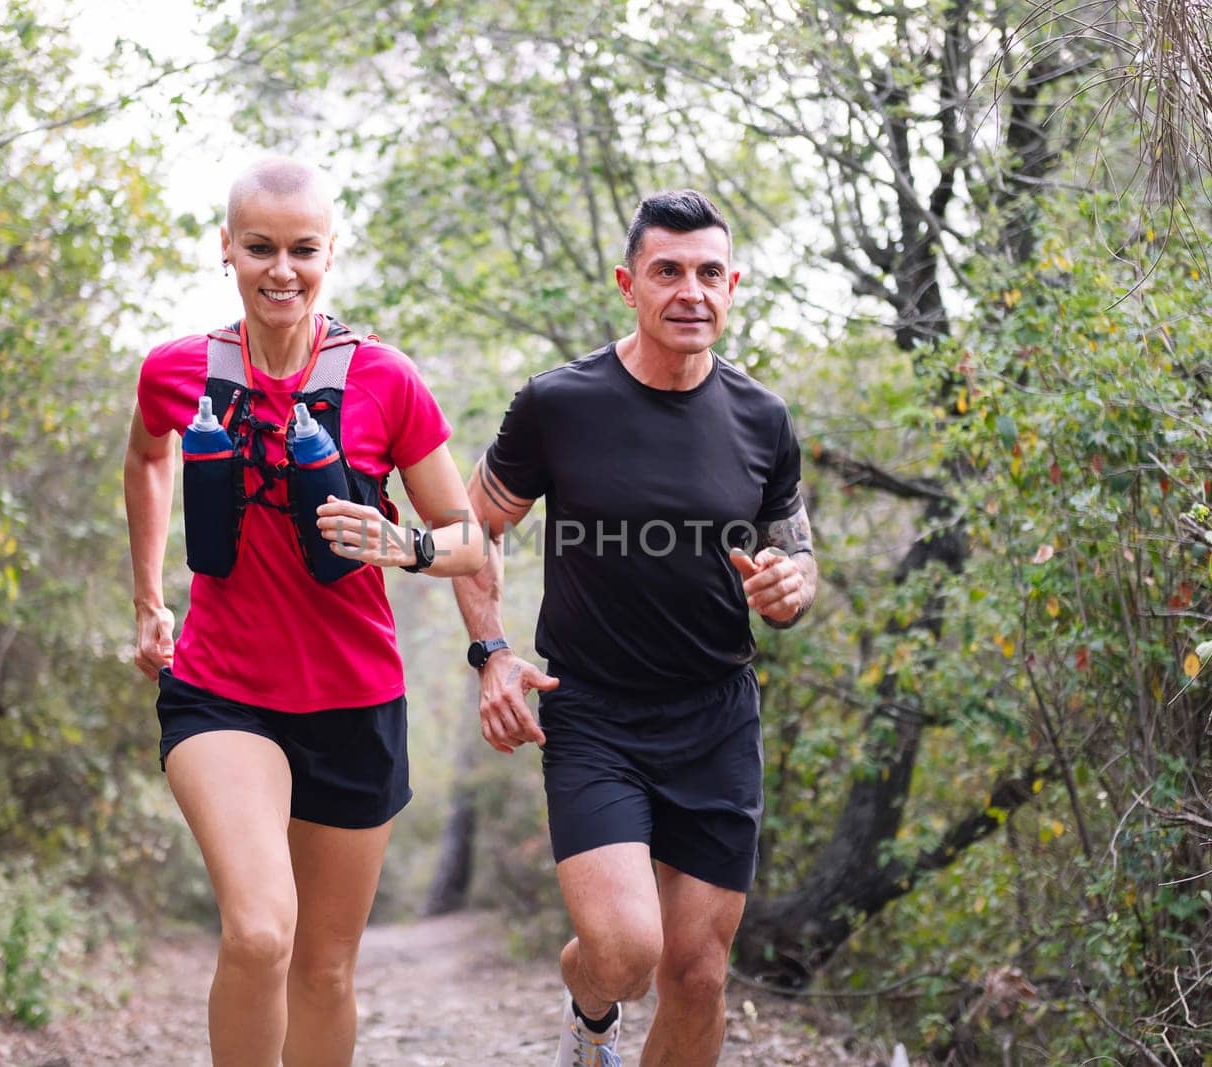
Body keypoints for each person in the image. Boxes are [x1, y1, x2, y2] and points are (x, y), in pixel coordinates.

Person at [123, 157, 484, 1066]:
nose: (281, 269)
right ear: (227, 251)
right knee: (257, 933)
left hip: (355, 701)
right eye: (260, 249)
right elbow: (150, 458)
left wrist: (406, 546)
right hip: (221, 691)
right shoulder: (176, 369)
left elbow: (471, 536)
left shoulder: (385, 380)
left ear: (329, 254)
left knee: (323, 970)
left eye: (302, 250)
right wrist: (147, 598)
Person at [453, 189, 816, 1067]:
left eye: (708, 273)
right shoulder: (558, 404)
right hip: (594, 714)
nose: (690, 291)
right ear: (629, 283)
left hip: (716, 714)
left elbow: (794, 557)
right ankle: (590, 1010)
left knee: (696, 970)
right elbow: (475, 532)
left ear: (732, 286)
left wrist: (789, 585)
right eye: (668, 272)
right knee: (625, 954)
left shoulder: (763, 419)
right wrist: (494, 655)